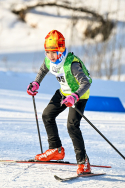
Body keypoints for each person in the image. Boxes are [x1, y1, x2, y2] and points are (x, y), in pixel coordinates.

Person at [27, 30, 92, 175]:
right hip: (64, 92)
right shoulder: (50, 61)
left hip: (79, 95)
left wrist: (75, 96)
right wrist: (36, 83)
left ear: (61, 51)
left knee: (72, 126)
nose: (50, 56)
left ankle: (84, 162)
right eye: (47, 52)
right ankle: (56, 150)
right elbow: (43, 69)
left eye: (53, 52)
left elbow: (86, 83)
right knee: (47, 115)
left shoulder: (72, 64)